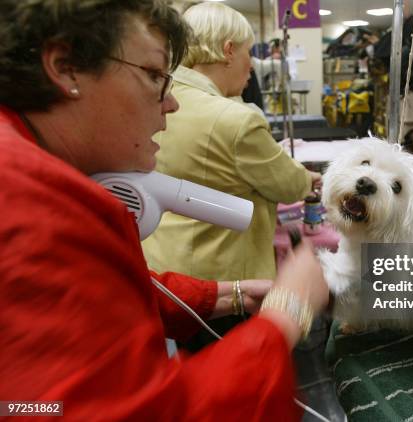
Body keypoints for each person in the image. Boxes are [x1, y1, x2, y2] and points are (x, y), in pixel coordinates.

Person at [0, 1, 328, 420]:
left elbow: (99, 295)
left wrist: (227, 295)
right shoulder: (28, 202)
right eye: (154, 76)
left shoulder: (32, 172)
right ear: (66, 68)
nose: (170, 104)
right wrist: (287, 314)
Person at [142, 2, 321, 282]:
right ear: (228, 51)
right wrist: (308, 178)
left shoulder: (158, 97)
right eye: (248, 52)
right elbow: (288, 185)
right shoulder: (236, 120)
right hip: (220, 276)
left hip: (160, 264)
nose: (251, 65)